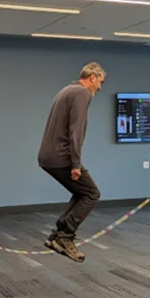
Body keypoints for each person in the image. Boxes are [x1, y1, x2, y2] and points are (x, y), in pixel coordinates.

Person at [37, 62, 105, 262]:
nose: (100, 88)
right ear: (92, 77)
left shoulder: (66, 90)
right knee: (92, 193)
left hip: (48, 156)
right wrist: (76, 164)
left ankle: (56, 236)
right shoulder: (82, 94)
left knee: (81, 192)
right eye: (100, 82)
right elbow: (76, 132)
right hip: (62, 157)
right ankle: (65, 237)